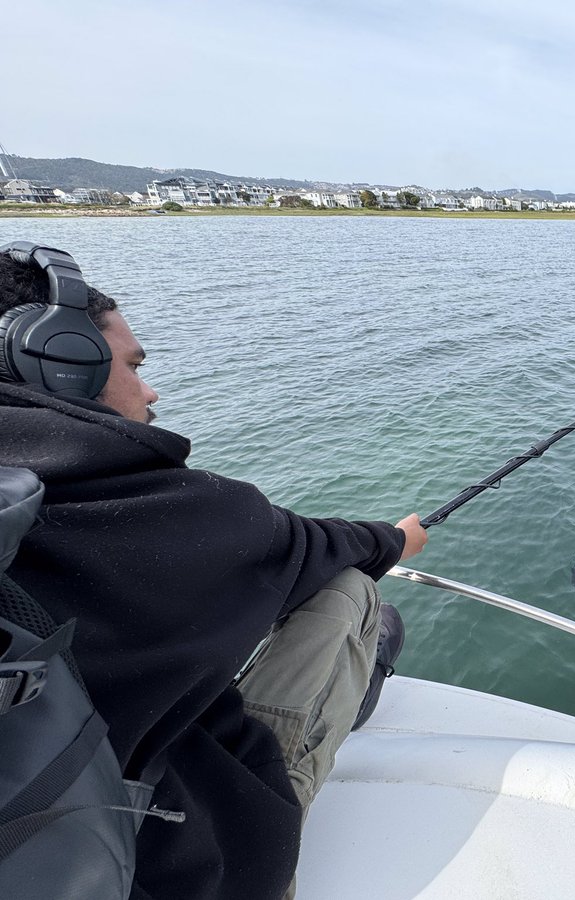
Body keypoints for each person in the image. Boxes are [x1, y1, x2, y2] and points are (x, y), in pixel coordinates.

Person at [0, 243, 428, 900]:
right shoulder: (146, 507)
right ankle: (358, 676)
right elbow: (312, 545)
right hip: (185, 870)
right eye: (132, 366)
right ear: (58, 363)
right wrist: (398, 540)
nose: (150, 391)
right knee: (354, 594)